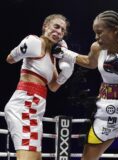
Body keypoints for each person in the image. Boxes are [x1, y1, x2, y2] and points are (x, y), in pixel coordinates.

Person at [53, 10, 118, 160]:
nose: (96, 37)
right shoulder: (97, 48)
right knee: (88, 158)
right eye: (95, 33)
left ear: (115, 29)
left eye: (99, 32)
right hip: (108, 108)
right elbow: (90, 62)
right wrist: (64, 53)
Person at [4, 14, 74, 160]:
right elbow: (10, 59)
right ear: (45, 26)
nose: (59, 31)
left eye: (62, 30)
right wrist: (22, 48)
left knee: (35, 157)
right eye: (56, 26)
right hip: (25, 104)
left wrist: (66, 72)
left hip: (36, 109)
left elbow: (53, 87)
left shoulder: (52, 57)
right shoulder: (35, 42)